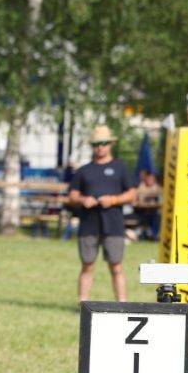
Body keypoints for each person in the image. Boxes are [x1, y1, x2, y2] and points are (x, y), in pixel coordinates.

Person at [68, 127, 137, 301]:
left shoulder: (120, 168)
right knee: (87, 265)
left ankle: (122, 305)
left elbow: (131, 194)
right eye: (97, 144)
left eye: (104, 143)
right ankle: (83, 304)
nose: (100, 147)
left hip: (113, 225)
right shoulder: (84, 170)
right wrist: (84, 200)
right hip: (89, 225)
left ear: (110, 144)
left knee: (116, 266)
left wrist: (113, 200)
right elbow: (72, 195)